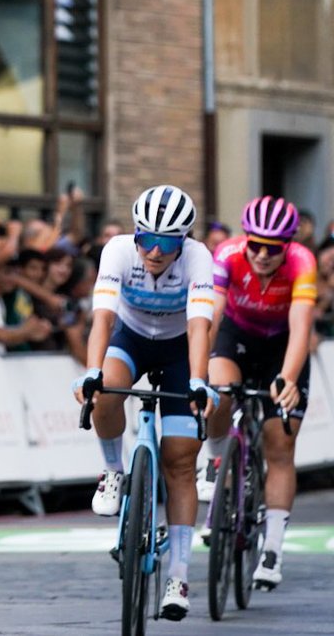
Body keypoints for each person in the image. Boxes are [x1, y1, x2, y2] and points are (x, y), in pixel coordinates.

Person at [72, 185, 218, 621]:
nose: (154, 251)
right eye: (146, 239)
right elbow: (103, 318)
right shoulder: (117, 250)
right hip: (132, 339)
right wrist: (92, 371)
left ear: (184, 241)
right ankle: (113, 472)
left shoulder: (198, 259)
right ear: (135, 234)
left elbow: (198, 327)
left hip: (178, 349)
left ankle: (178, 575)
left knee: (179, 461)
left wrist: (197, 381)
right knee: (105, 392)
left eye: (167, 242)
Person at [201, 196, 316, 590]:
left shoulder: (303, 262)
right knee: (217, 394)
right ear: (244, 238)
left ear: (288, 246)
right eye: (256, 245)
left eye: (273, 249)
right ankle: (216, 464)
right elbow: (213, 314)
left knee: (279, 444)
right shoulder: (228, 254)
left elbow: (301, 327)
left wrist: (286, 378)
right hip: (236, 337)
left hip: (280, 346)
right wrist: (197, 369)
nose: (263, 255)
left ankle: (273, 548)